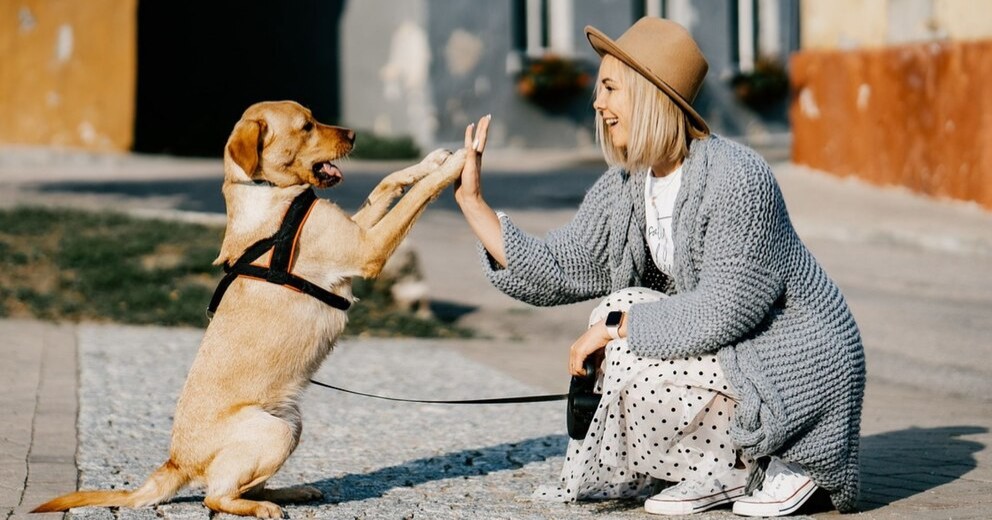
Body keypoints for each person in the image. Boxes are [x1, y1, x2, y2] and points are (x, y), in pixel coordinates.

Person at [454, 17, 865, 518]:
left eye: (609, 88)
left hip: (795, 363)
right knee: (618, 308)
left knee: (621, 324)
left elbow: (724, 310)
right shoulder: (629, 184)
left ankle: (775, 460)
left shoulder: (738, 177)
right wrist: (475, 205)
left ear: (649, 94)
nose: (597, 103)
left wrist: (614, 331)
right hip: (734, 355)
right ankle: (713, 467)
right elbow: (562, 266)